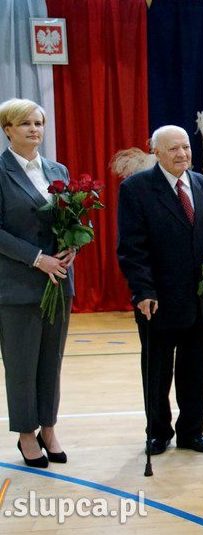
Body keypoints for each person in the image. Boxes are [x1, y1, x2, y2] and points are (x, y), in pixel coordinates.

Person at [117, 125, 203, 454]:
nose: (182, 154)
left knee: (195, 371)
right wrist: (143, 291)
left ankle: (193, 431)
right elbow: (131, 248)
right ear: (156, 152)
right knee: (157, 371)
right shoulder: (136, 189)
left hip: (197, 299)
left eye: (186, 147)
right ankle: (158, 432)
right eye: (173, 149)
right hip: (158, 299)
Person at [0, 98, 74, 467]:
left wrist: (74, 244)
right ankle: (26, 434)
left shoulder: (56, 168)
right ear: (7, 129)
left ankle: (48, 426)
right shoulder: (0, 172)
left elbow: (73, 217)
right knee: (21, 363)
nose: (34, 129)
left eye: (39, 123)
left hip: (58, 280)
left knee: (51, 361)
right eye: (24, 123)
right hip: (18, 283)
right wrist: (36, 258)